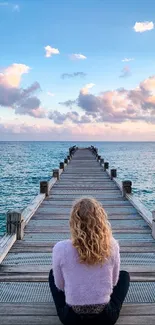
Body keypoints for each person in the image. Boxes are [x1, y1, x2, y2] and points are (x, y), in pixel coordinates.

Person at [49, 197, 130, 325]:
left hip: (71, 319)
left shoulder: (60, 248)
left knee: (52, 273)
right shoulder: (112, 245)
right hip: (105, 318)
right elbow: (114, 282)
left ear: (73, 222)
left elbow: (60, 286)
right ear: (101, 220)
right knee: (124, 276)